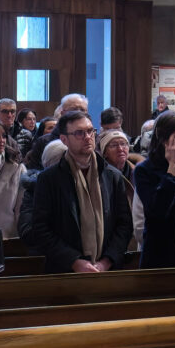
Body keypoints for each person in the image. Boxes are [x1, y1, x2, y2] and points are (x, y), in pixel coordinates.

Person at [25, 110, 132, 273]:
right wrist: (73, 261)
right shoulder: (49, 179)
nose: (88, 137)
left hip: (107, 268)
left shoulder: (112, 176)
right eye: (79, 133)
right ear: (64, 140)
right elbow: (41, 229)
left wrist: (107, 261)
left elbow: (124, 225)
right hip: (65, 269)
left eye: (90, 131)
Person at [133, 111, 175, 269]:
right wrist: (173, 168)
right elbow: (157, 212)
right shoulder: (145, 170)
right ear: (164, 139)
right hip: (162, 253)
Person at [98, 130, 135, 207]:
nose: (120, 149)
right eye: (114, 145)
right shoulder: (99, 175)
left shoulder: (138, 172)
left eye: (123, 144)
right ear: (104, 152)